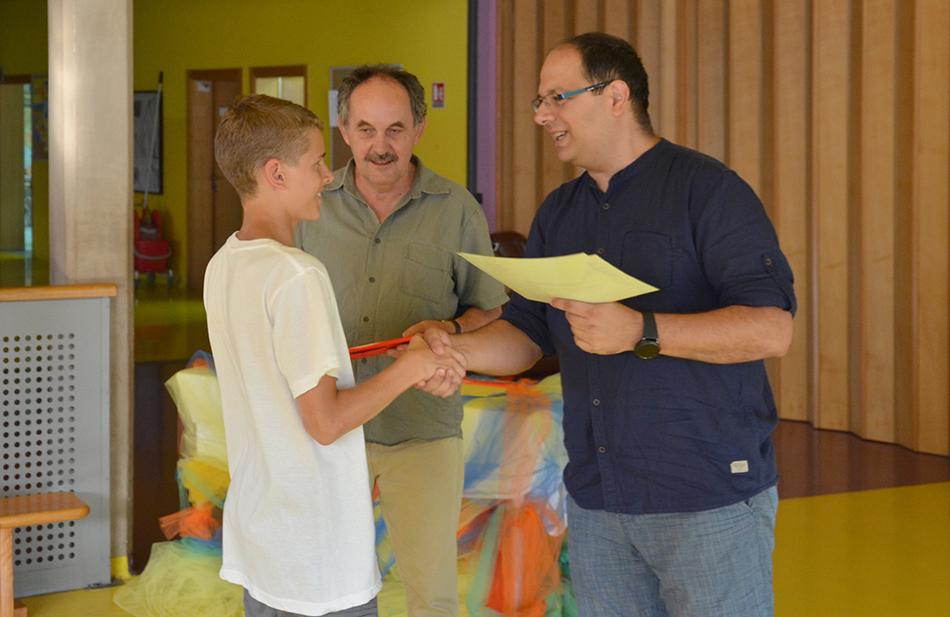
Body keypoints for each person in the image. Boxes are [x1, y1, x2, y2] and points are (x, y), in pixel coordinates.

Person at [421, 33, 797, 617]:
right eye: (539, 101)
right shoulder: (558, 212)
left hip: (707, 498)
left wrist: (642, 331)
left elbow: (771, 330)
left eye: (558, 97)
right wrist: (452, 351)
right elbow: (526, 333)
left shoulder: (709, 191)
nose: (542, 115)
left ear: (616, 96)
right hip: (599, 501)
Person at [204, 94, 465, 617]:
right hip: (317, 558)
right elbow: (325, 423)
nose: (328, 176)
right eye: (317, 162)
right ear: (276, 173)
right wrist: (411, 367)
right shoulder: (297, 274)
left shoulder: (224, 264)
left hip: (263, 543)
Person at [296, 64, 507, 617]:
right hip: (329, 428)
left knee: (431, 596)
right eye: (366, 129)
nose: (380, 146)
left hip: (422, 431)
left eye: (395, 129)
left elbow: (489, 308)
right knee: (321, 590)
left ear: (419, 129)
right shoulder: (310, 207)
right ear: (344, 130)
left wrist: (451, 329)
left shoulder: (457, 209)